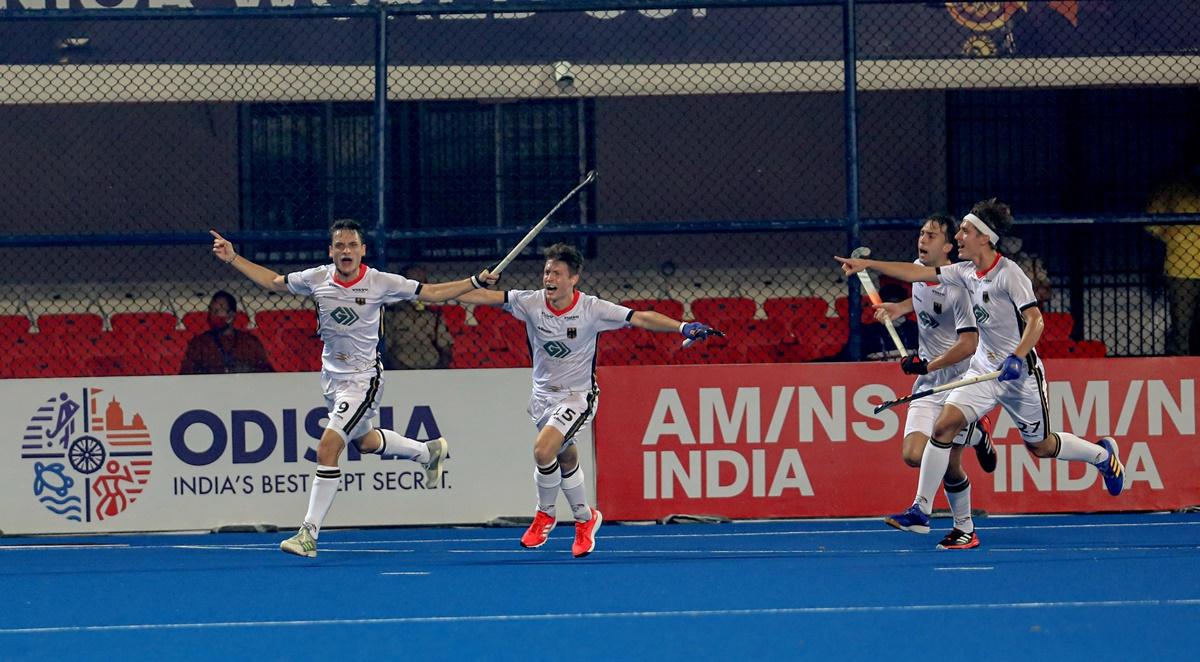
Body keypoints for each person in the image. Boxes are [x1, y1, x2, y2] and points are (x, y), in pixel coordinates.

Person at [836, 198, 1126, 538]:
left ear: (984, 238)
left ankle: (1102, 456)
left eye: (965, 231)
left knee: (1041, 446)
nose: (958, 236)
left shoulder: (1009, 275)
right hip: (984, 369)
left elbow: (1036, 321)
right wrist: (866, 264)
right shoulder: (964, 272)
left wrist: (1017, 356)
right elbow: (917, 272)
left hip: (1020, 375)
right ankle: (924, 511)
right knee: (943, 427)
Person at [209, 221, 497, 558]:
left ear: (363, 251)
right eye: (340, 246)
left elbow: (431, 292)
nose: (346, 251)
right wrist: (233, 258)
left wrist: (473, 282)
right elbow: (273, 282)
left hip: (363, 380)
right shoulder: (317, 278)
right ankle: (427, 451)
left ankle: (308, 534)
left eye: (352, 245)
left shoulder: (380, 282)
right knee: (364, 440)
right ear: (331, 252)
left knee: (328, 447)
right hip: (331, 379)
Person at [454, 243, 723, 558]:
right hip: (542, 397)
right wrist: (475, 282)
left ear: (573, 279)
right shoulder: (528, 302)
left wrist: (683, 326)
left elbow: (641, 318)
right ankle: (585, 518)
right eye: (546, 272)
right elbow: (463, 297)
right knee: (564, 456)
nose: (548, 278)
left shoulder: (592, 309)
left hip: (578, 396)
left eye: (556, 273)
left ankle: (545, 514)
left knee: (543, 450)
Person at [870, 213, 996, 549]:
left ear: (947, 246)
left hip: (961, 382)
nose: (922, 240)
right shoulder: (918, 270)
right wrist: (900, 307)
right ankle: (976, 435)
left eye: (931, 235)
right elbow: (926, 299)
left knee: (949, 460)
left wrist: (926, 366)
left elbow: (969, 344)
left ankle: (963, 527)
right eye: (921, 233)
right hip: (928, 380)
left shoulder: (960, 288)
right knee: (915, 455)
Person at [1146, 163, 1200, 356]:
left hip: (1181, 262)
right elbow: (1151, 221)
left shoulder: (1174, 186)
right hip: (1181, 266)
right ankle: (1184, 370)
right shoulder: (1172, 186)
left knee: (1183, 327)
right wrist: (1176, 237)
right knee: (1182, 329)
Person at [179, 291, 274, 375]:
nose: (212, 315)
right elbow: (186, 373)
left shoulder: (248, 341)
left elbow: (266, 371)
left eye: (217, 311)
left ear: (231, 315)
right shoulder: (200, 343)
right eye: (211, 310)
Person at [382, 264, 455, 370]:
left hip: (431, 366)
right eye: (413, 284)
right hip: (401, 368)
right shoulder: (390, 315)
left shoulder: (433, 315)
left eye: (421, 284)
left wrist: (438, 370)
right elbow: (385, 351)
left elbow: (446, 347)